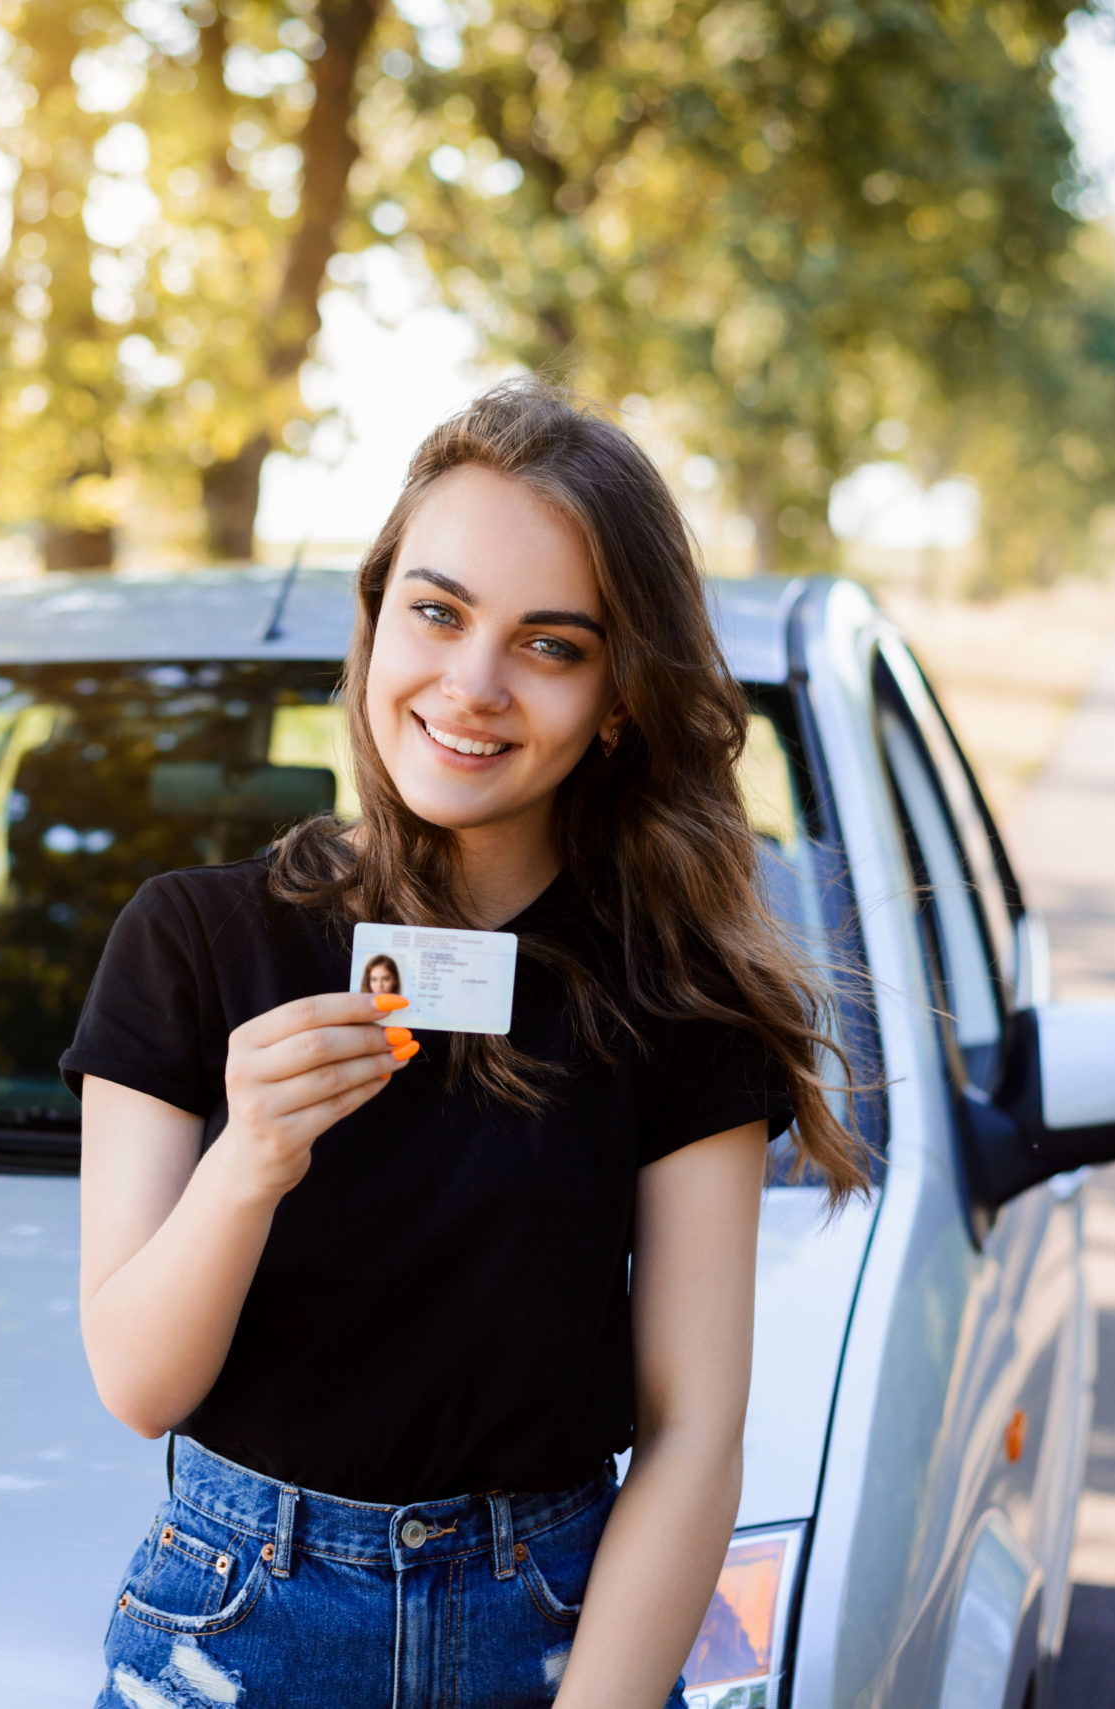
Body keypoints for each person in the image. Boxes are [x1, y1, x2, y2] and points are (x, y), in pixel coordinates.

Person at [60, 379, 869, 1709]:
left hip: (552, 1625)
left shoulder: (672, 993)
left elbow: (693, 1432)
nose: (473, 684)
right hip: (238, 1619)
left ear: (617, 697)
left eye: (551, 644)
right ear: (377, 621)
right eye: (436, 612)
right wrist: (248, 1159)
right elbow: (141, 1382)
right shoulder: (192, 941)